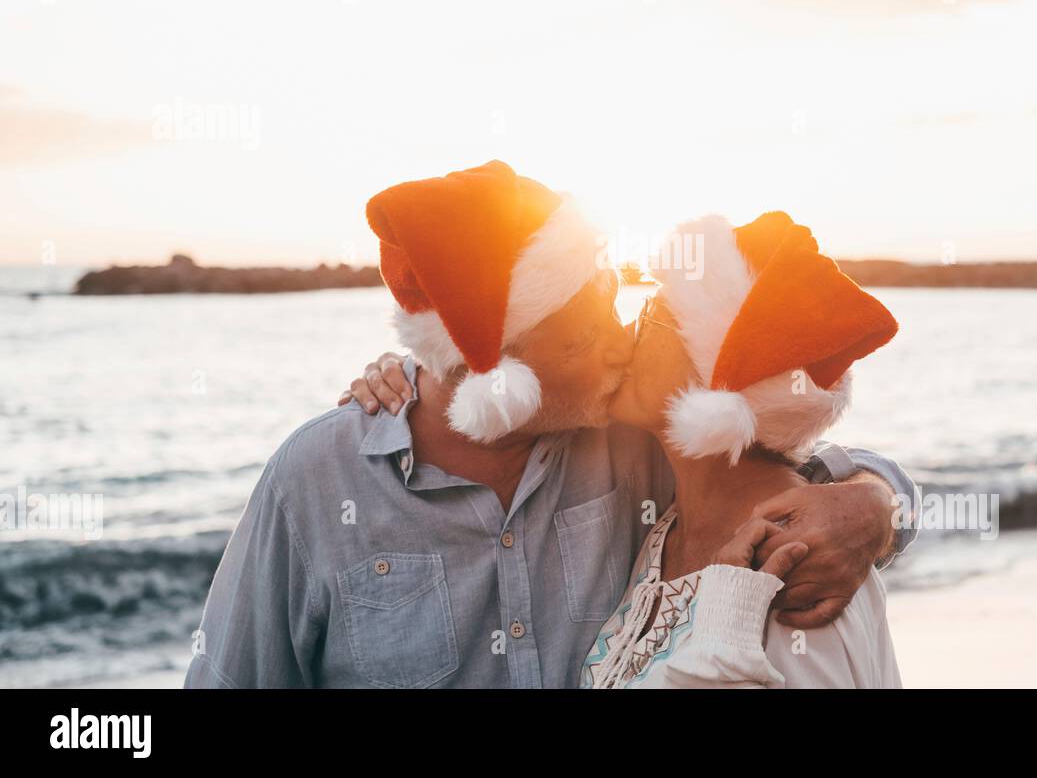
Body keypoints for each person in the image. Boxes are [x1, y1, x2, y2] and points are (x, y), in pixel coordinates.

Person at [186, 160, 916, 688]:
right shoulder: (319, 479)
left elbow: (779, 452)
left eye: (616, 312)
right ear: (496, 377)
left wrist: (871, 504)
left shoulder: (632, 446)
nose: (620, 343)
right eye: (579, 339)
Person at [581, 211, 902, 687]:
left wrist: (878, 499)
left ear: (712, 374)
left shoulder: (801, 566)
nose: (629, 333)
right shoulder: (670, 526)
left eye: (651, 314)